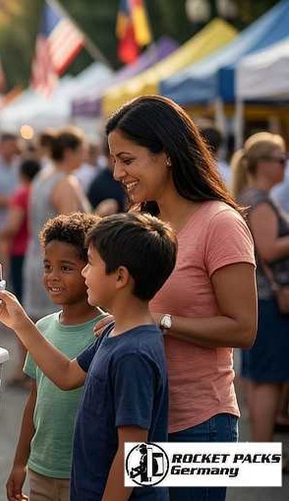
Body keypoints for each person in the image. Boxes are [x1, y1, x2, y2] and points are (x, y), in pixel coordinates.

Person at [105, 96, 256, 501]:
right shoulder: (141, 221)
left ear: (167, 154)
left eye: (127, 160)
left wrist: (161, 322)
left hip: (199, 423)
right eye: (114, 161)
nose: (118, 173)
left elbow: (244, 329)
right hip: (139, 417)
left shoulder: (220, 223)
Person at [0, 212, 175, 501]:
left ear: (120, 277)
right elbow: (66, 375)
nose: (85, 273)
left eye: (91, 264)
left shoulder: (134, 353)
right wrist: (19, 322)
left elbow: (131, 453)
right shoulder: (114, 331)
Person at [6, 213, 104, 501]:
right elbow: (35, 399)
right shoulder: (43, 328)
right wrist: (20, 463)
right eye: (48, 266)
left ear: (91, 269)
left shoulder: (106, 330)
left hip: (85, 472)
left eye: (66, 268)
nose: (53, 276)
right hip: (42, 469)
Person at [230, 132, 289, 447]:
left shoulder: (252, 197)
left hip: (261, 299)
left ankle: (261, 453)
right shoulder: (260, 201)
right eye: (280, 159)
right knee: (269, 380)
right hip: (270, 300)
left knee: (260, 378)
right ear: (263, 164)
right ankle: (265, 454)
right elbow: (268, 249)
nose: (284, 165)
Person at [22, 127, 91, 320]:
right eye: (82, 151)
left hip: (38, 259)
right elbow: (71, 230)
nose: (85, 156)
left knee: (37, 325)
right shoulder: (65, 183)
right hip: (60, 266)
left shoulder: (42, 176)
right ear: (69, 152)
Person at [0, 159, 43, 297]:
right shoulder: (39, 191)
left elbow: (13, 226)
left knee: (20, 295)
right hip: (38, 249)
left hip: (20, 250)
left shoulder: (22, 193)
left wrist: (2, 235)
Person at [0, 133, 22, 258]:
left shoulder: (18, 164)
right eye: (11, 145)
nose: (14, 149)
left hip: (15, 229)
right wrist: (13, 201)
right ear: (1, 146)